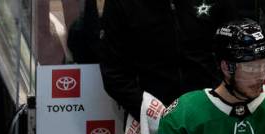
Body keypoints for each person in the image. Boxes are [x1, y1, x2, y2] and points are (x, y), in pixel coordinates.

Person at [100, 0, 239, 122]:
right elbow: (114, 74)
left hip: (212, 113)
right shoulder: (122, 3)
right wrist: (152, 112)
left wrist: (219, 100)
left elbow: (235, 51)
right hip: (151, 120)